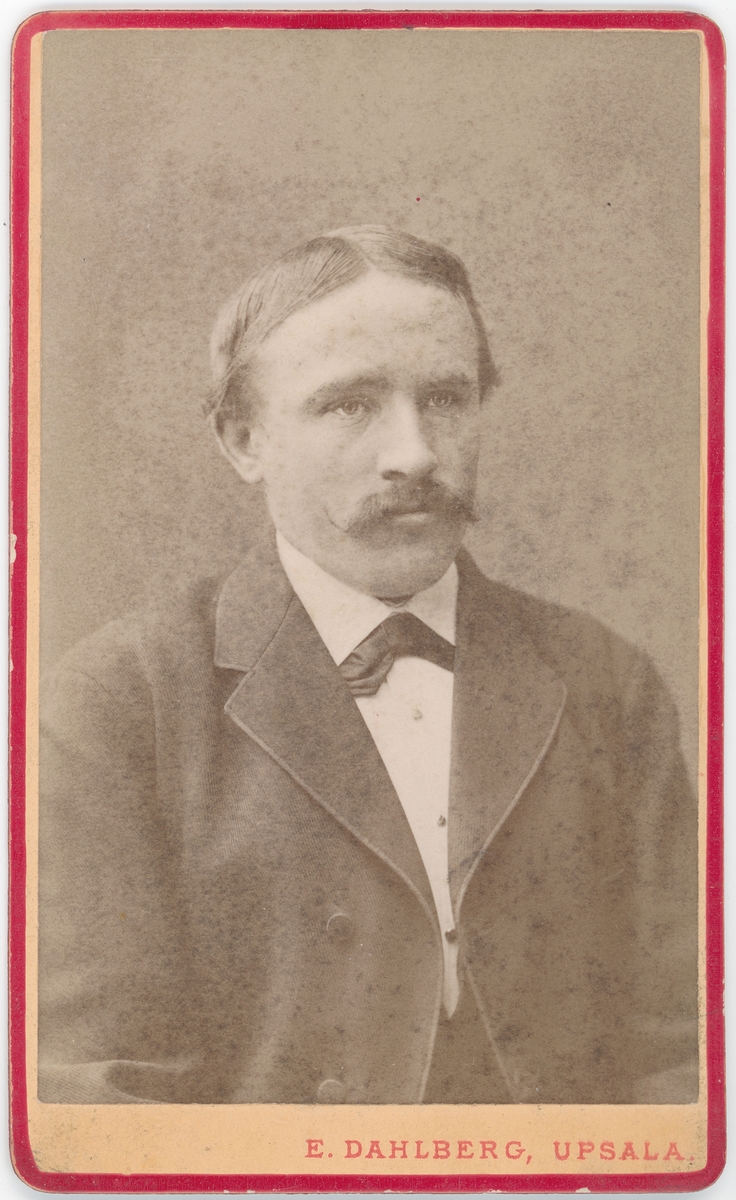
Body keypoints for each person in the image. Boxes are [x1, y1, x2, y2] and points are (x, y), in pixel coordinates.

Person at [38, 226, 698, 1106]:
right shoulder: (122, 704)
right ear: (243, 440)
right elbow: (100, 1099)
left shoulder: (606, 683)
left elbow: (687, 1064)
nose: (415, 454)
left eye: (446, 398)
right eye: (350, 406)